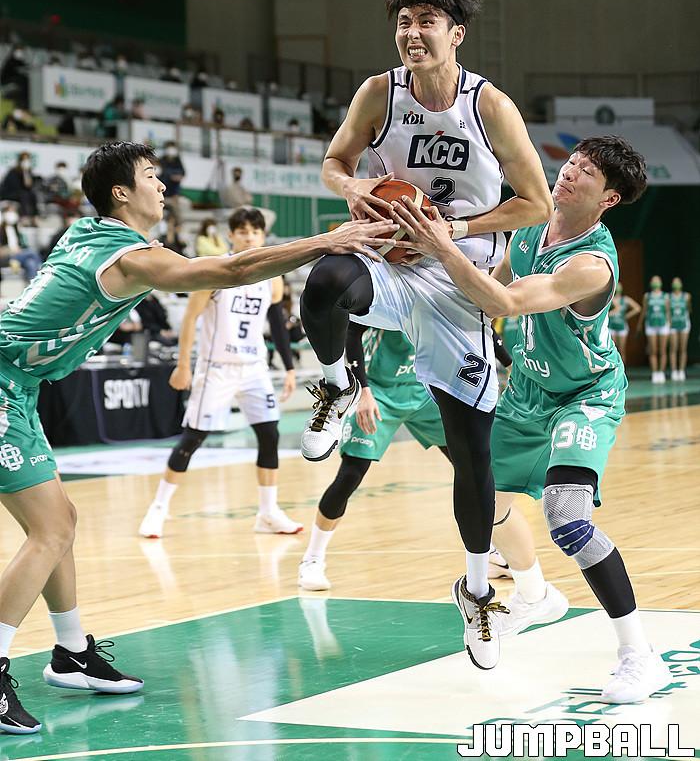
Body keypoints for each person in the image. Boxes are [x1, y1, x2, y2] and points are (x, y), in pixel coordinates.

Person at [0, 141, 396, 735]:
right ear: (121, 194)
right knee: (50, 530)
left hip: (20, 385)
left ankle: (71, 652)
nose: (163, 186)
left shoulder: (88, 234)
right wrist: (327, 241)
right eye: (151, 176)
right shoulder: (128, 258)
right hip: (3, 382)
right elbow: (229, 272)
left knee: (61, 522)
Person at [298, 0, 552, 669]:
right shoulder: (379, 93)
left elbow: (535, 203)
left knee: (472, 454)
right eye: (404, 22)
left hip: (457, 277)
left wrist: (452, 228)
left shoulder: (489, 106)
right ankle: (336, 385)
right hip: (391, 258)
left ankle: (478, 591)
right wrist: (355, 187)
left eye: (426, 22)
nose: (412, 33)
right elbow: (334, 161)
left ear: (456, 33)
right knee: (325, 279)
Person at [392, 134, 672, 704]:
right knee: (483, 498)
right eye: (573, 161)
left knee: (567, 519)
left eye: (588, 171)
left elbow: (506, 302)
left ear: (609, 198)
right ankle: (534, 595)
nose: (569, 171)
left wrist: (441, 243)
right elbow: (485, 281)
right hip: (525, 392)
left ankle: (640, 656)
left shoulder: (591, 265)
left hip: (584, 394)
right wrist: (420, 263)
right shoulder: (529, 228)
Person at [139, 208, 301, 539]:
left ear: (262, 236)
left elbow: (276, 323)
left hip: (254, 367)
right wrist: (183, 365)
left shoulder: (272, 277)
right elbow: (189, 319)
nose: (249, 237)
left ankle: (268, 512)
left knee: (269, 434)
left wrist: (288, 367)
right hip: (217, 367)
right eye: (242, 231)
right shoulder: (214, 271)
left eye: (254, 231)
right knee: (194, 437)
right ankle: (158, 508)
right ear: (231, 235)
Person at [299, 324, 450, 590]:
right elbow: (352, 332)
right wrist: (364, 392)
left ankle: (492, 551)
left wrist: (505, 362)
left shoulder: (443, 298)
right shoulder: (387, 299)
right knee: (350, 476)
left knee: (472, 466)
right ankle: (312, 560)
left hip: (422, 389)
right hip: (378, 391)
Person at [639, 276, 670, 383]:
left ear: (661, 282)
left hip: (663, 325)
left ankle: (661, 372)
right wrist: (640, 324)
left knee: (662, 350)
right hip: (651, 324)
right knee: (653, 350)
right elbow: (644, 310)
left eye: (657, 280)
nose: (655, 282)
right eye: (653, 280)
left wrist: (669, 324)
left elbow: (667, 311)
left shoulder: (665, 296)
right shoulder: (647, 296)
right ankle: (654, 372)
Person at [0, 204, 42, 281]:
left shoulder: (16, 228)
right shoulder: (1, 230)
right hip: (8, 256)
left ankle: (32, 284)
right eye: (9, 212)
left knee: (30, 263)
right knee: (32, 253)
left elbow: (24, 244)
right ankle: (43, 271)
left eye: (13, 211)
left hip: (20, 255)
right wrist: (11, 250)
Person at [0, 152, 39, 223]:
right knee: (24, 194)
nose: (26, 162)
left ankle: (34, 217)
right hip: (9, 193)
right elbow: (15, 186)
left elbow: (29, 185)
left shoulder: (28, 172)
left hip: (21, 194)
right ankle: (24, 217)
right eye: (24, 160)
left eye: (28, 160)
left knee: (32, 195)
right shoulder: (13, 172)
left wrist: (25, 172)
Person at [608, 282, 641, 365]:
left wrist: (626, 316)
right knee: (612, 349)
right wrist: (610, 313)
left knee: (622, 349)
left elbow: (637, 308)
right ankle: (613, 368)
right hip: (611, 326)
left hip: (622, 326)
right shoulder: (609, 298)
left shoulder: (625, 299)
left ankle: (622, 369)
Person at [668, 276, 691, 381]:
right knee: (673, 347)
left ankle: (681, 370)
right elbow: (667, 311)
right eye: (674, 282)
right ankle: (674, 371)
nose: (676, 284)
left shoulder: (686, 296)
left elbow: (689, 309)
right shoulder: (668, 297)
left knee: (683, 348)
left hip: (684, 323)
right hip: (672, 324)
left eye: (678, 282)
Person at [158, 142, 186, 221]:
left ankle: (177, 225)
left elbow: (182, 173)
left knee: (175, 209)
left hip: (173, 194)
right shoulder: (161, 161)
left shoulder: (177, 161)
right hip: (162, 192)